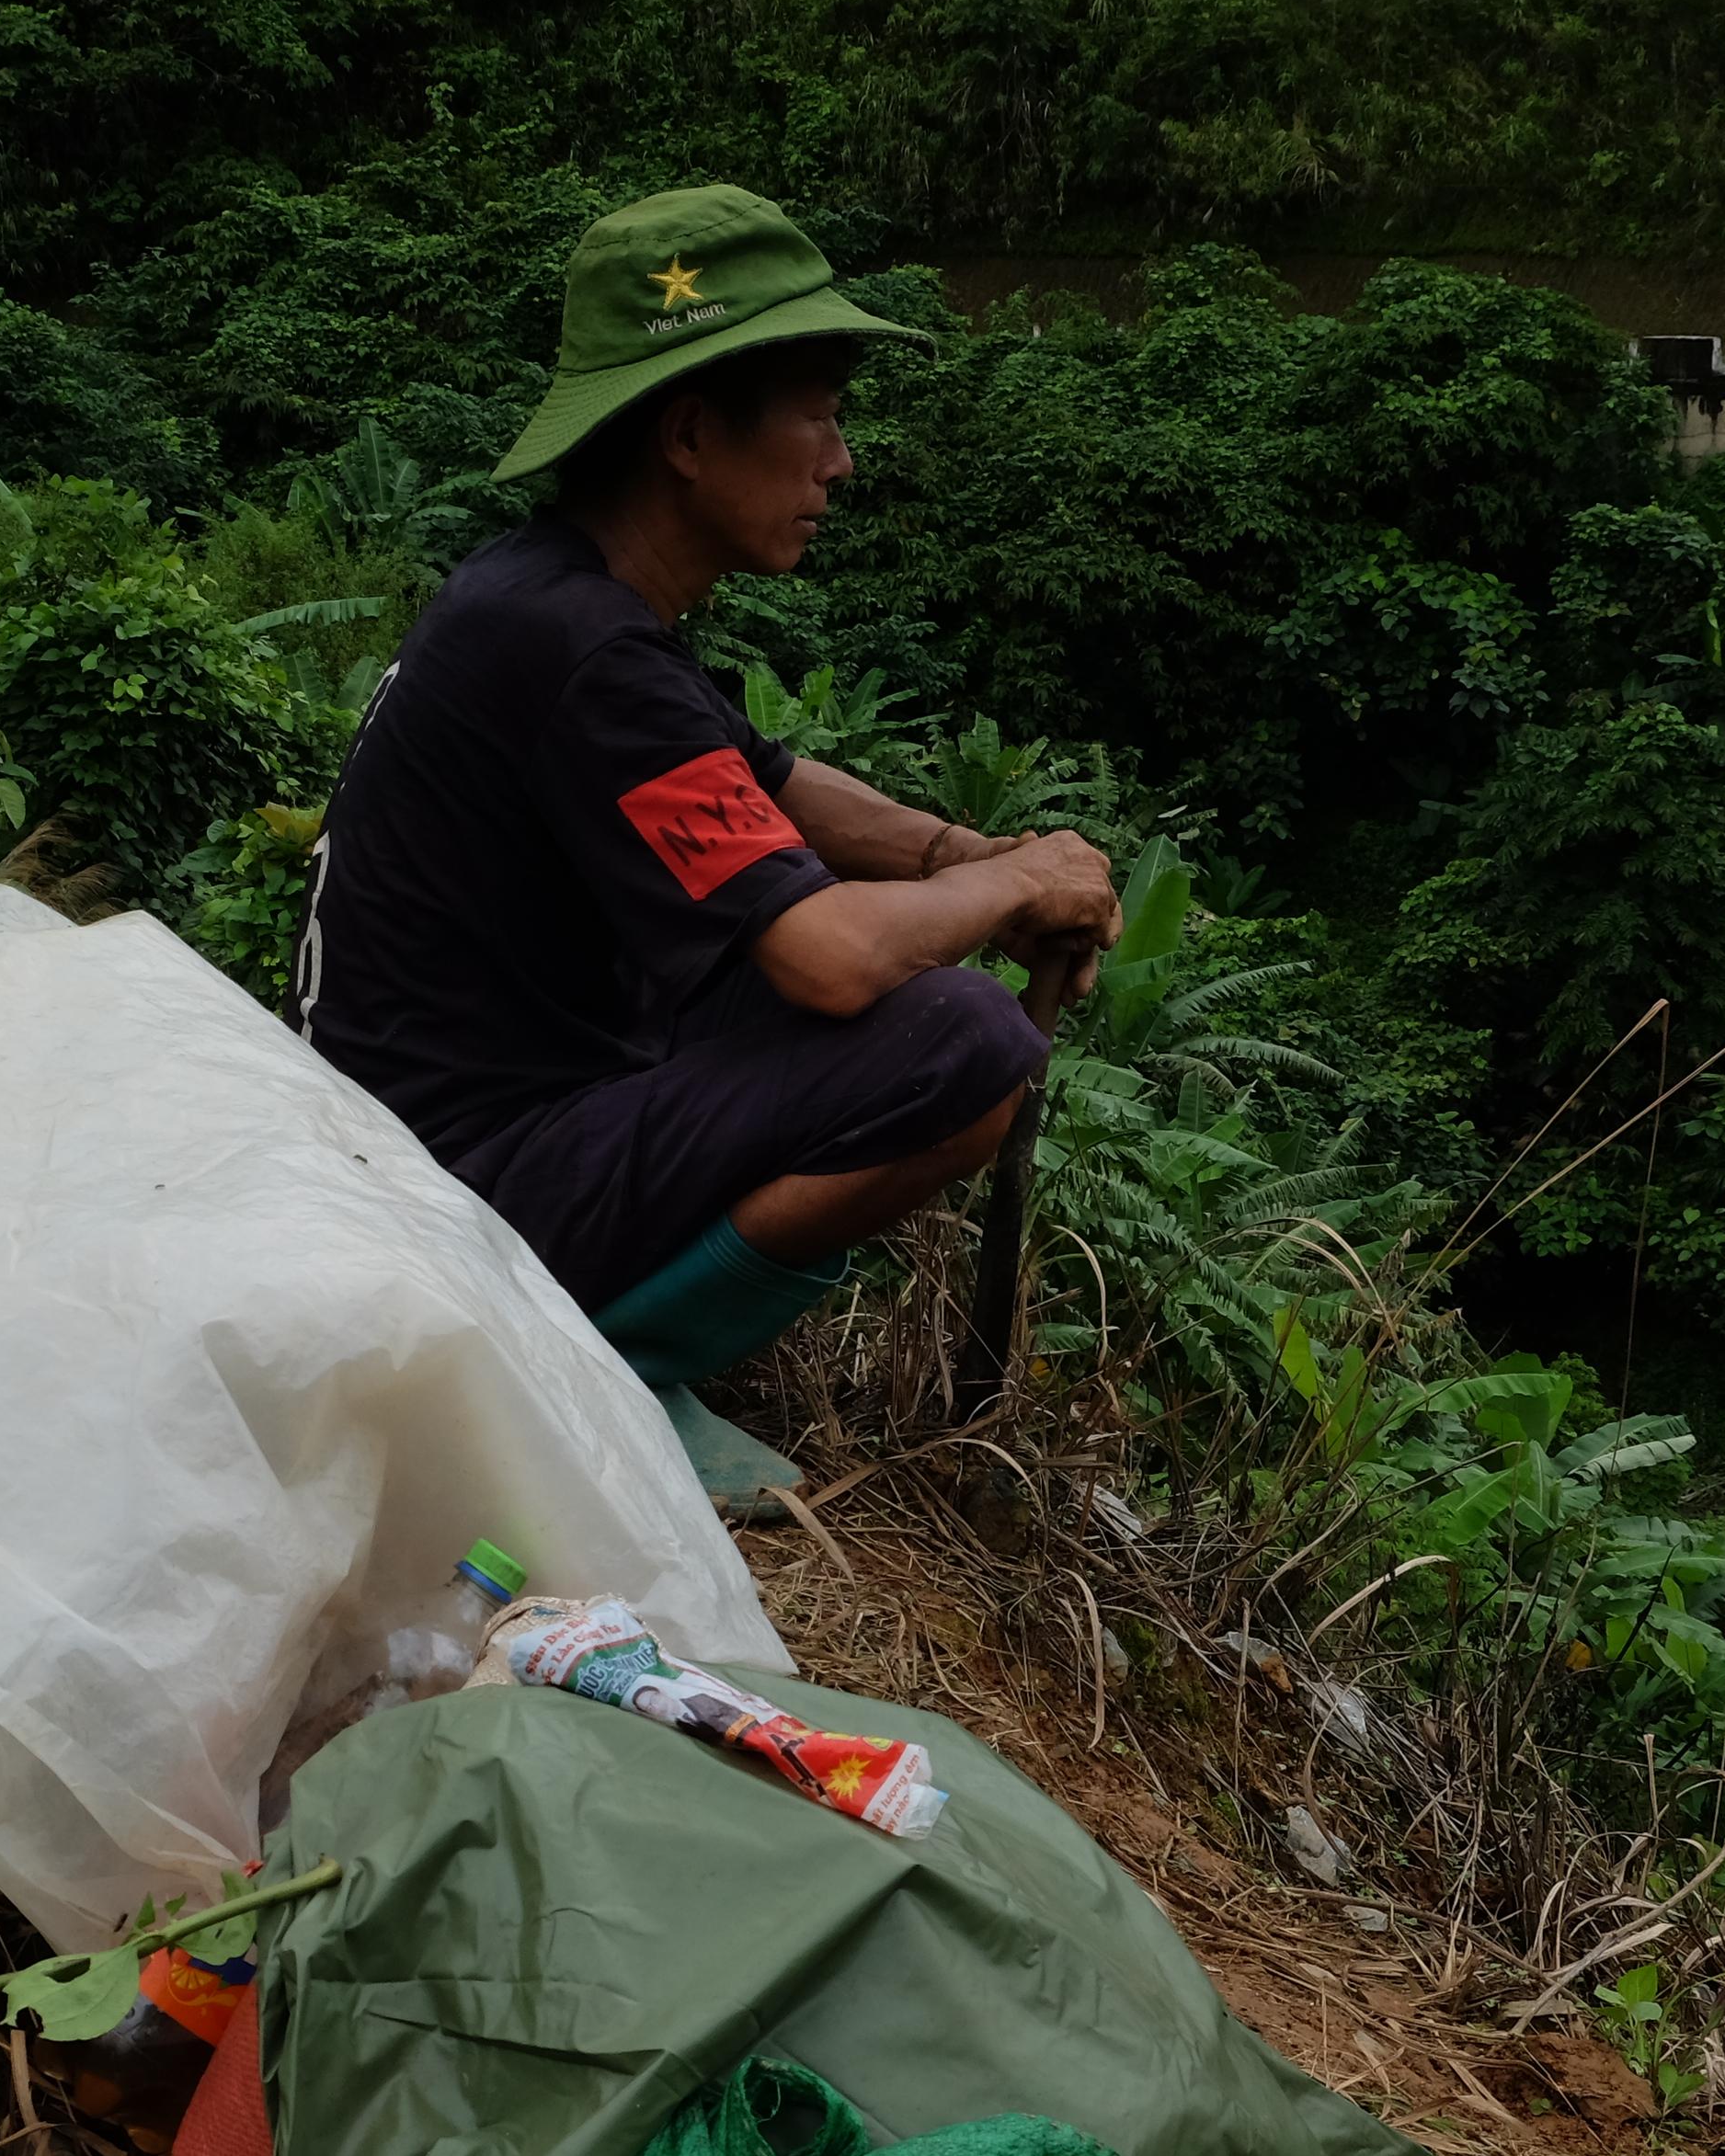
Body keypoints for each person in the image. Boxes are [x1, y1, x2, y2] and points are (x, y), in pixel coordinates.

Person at [296, 186, 1121, 1409]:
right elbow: (830, 963)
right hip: (451, 1188)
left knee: (847, 974)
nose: (841, 464)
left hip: (429, 1119)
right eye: (819, 422)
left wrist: (962, 853)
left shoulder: (553, 595)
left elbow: (770, 786)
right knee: (971, 1049)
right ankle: (601, 1372)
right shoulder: (587, 651)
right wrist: (1020, 880)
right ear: (688, 437)